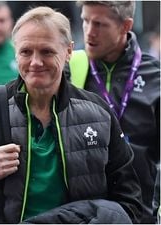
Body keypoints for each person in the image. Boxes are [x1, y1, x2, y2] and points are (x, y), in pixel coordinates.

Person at [0, 6, 143, 224]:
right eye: (26, 52)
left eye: (47, 52)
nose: (35, 62)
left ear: (68, 51)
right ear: (15, 51)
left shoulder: (98, 113)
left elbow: (129, 201)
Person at [67, 1, 160, 223]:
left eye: (99, 24)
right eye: (85, 20)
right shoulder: (69, 67)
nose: (89, 32)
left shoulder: (155, 79)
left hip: (138, 213)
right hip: (79, 213)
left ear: (125, 26)